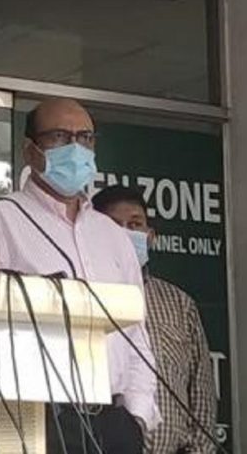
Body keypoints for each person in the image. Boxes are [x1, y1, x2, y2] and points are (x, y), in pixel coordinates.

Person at [0, 97, 159, 454]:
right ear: (30, 150)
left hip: (113, 420)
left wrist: (138, 416)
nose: (75, 148)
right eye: (59, 137)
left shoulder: (111, 234)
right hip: (36, 419)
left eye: (85, 138)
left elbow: (136, 334)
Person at [94, 185, 218, 454]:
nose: (125, 234)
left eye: (135, 224)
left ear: (150, 236)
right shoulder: (84, 297)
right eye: (114, 226)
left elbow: (202, 391)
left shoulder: (179, 303)